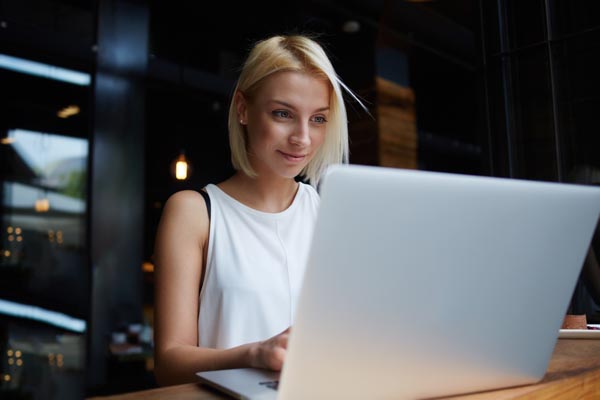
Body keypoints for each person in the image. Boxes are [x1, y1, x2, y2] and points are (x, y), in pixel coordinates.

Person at [153, 34, 363, 386]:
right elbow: (169, 363)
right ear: (242, 108)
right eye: (283, 114)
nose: (302, 138)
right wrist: (254, 354)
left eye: (318, 119)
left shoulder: (331, 214)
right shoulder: (195, 213)